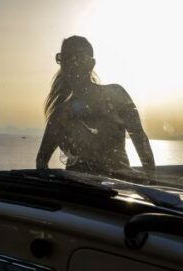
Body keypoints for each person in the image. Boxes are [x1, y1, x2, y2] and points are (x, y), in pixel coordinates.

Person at [36, 35, 155, 180]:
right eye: (65, 58)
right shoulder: (61, 113)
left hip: (117, 192)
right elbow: (41, 160)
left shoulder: (115, 95)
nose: (71, 64)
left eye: (77, 58)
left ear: (91, 64)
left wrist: (151, 181)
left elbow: (139, 137)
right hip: (79, 195)